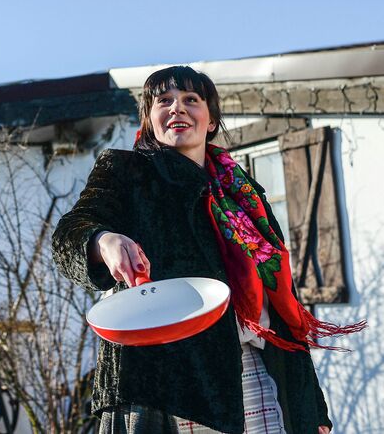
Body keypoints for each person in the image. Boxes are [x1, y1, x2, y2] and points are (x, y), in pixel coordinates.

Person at [52, 66, 363, 433]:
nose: (177, 109)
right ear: (150, 120)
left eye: (190, 100)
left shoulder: (245, 193)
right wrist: (103, 241)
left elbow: (282, 303)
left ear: (211, 119)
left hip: (257, 371)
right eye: (163, 101)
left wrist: (312, 409)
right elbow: (68, 236)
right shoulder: (126, 172)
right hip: (170, 383)